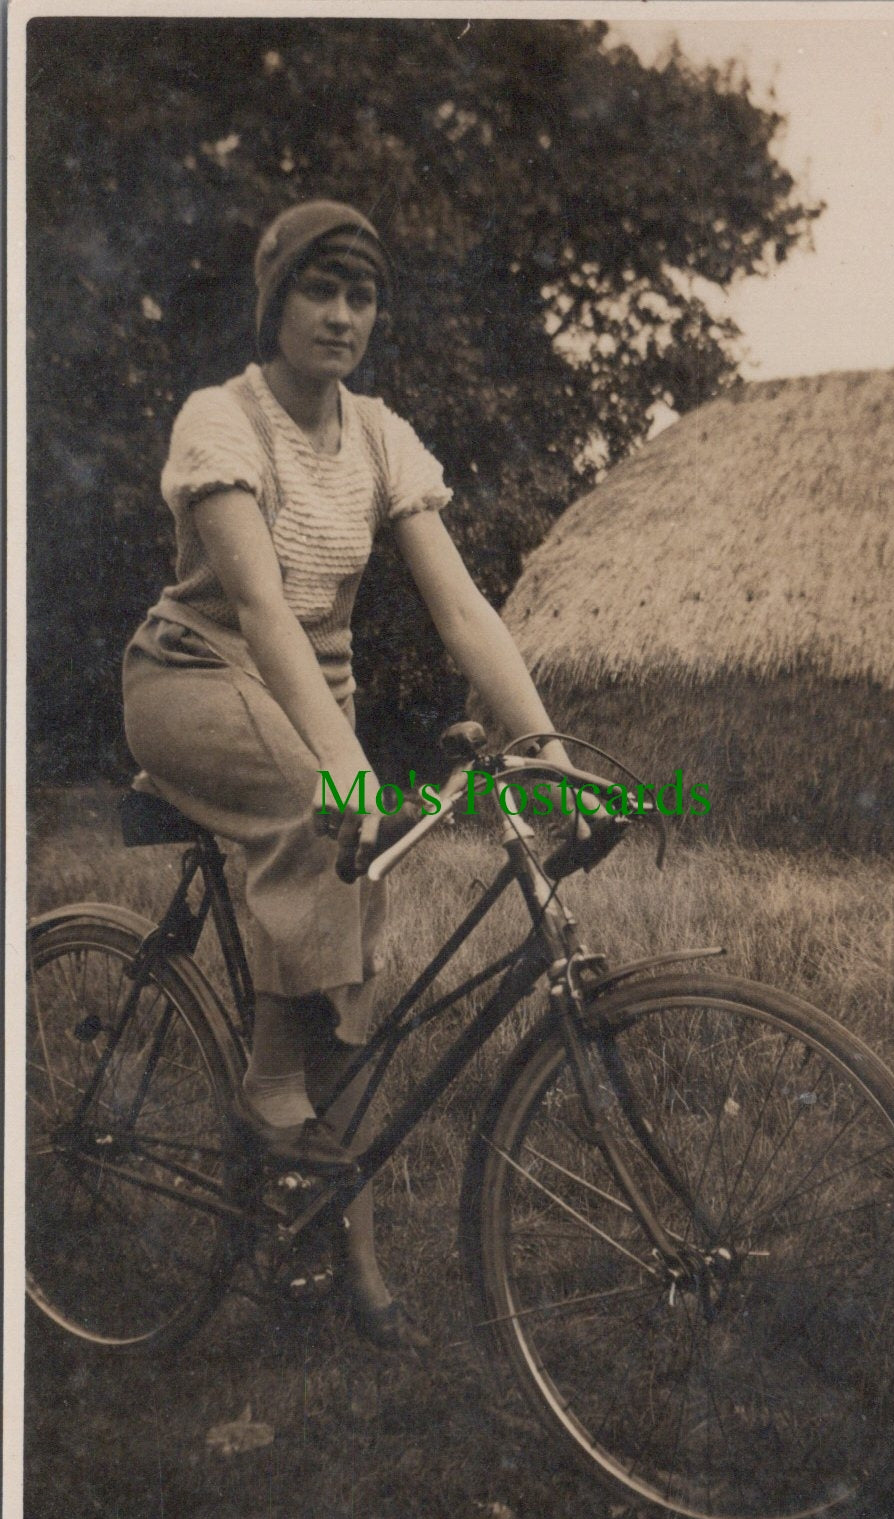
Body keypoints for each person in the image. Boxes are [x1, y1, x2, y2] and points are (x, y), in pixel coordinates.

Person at [122, 199, 571, 1344]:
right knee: (333, 825)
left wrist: (546, 752)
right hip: (196, 676)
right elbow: (264, 609)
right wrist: (343, 768)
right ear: (275, 304)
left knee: (353, 988)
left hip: (312, 699)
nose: (340, 315)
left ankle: (348, 1266)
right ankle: (270, 1086)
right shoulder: (221, 423)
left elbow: (461, 607)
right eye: (319, 291)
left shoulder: (379, 438)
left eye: (360, 295)